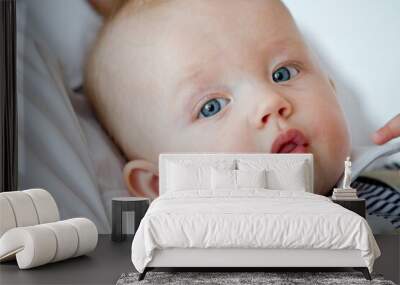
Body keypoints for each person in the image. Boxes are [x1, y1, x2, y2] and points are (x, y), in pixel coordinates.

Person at [84, 0, 398, 199]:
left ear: (332, 89)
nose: (269, 101)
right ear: (160, 185)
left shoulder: (386, 170)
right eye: (212, 107)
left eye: (283, 73)